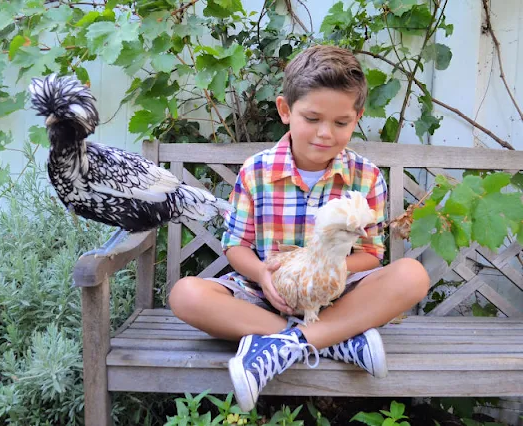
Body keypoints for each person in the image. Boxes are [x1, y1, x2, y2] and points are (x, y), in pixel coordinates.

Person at [168, 44, 430, 412]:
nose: (325, 133)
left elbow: (371, 256)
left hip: (338, 297)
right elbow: (236, 246)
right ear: (285, 110)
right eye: (312, 118)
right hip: (267, 296)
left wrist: (323, 272)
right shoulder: (256, 171)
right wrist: (262, 273)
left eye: (341, 123)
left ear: (357, 118)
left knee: (412, 276)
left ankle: (286, 342)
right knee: (186, 295)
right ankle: (335, 341)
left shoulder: (366, 177)